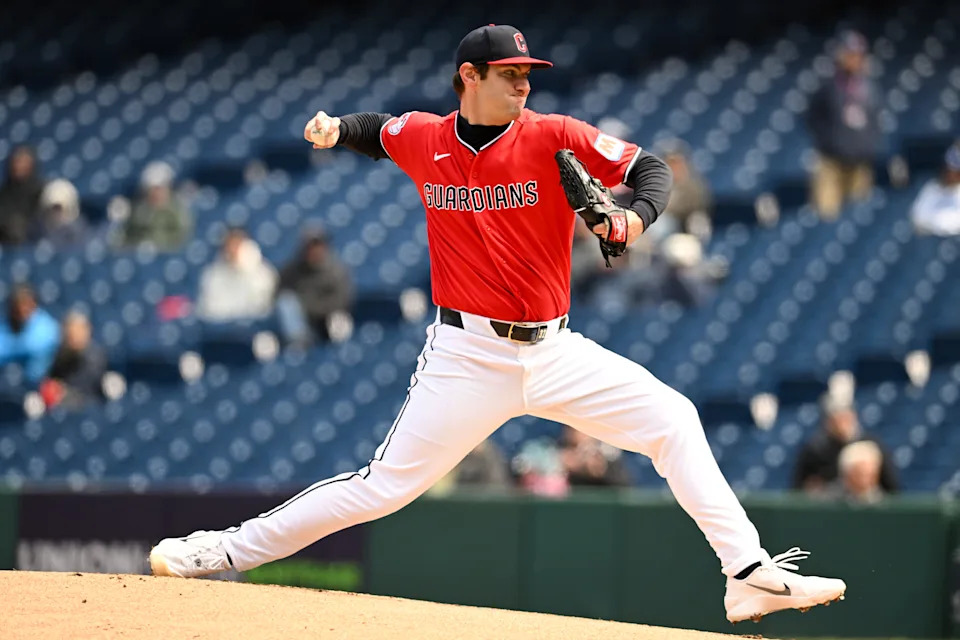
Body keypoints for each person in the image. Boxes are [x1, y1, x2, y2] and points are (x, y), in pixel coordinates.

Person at [151, 24, 845, 624]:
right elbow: (377, 131)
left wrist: (630, 218)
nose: (523, 86)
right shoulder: (426, 138)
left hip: (555, 348)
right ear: (469, 76)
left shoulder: (554, 136)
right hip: (465, 355)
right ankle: (223, 550)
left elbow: (649, 167)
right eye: (510, 74)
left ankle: (747, 575)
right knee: (381, 487)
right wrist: (335, 131)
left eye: (527, 74)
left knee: (675, 420)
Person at [805, 30, 882, 220]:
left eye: (858, 55)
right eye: (850, 54)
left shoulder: (869, 89)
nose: (854, 59)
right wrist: (830, 142)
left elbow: (875, 122)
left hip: (860, 163)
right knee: (827, 215)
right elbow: (812, 119)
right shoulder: (828, 87)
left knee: (859, 216)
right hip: (831, 163)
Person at [792, 393, 898, 495]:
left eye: (845, 417)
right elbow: (799, 489)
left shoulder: (871, 444)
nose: (841, 424)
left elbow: (891, 488)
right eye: (836, 419)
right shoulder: (815, 449)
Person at [274, 227, 354, 345]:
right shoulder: (293, 269)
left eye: (317, 245)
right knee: (286, 302)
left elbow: (342, 301)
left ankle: (340, 351)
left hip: (327, 319)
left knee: (339, 320)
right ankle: (298, 342)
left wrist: (310, 306)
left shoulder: (336, 270)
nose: (314, 250)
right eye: (310, 246)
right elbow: (279, 293)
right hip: (303, 321)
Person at [196, 227, 278, 321]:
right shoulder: (211, 275)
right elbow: (210, 312)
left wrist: (247, 266)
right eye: (230, 245)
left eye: (238, 245)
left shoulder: (265, 273)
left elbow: (263, 308)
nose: (233, 250)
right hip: (222, 330)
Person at [116, 161, 193, 251]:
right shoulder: (136, 212)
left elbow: (183, 240)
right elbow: (123, 240)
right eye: (152, 189)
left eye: (160, 188)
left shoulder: (178, 212)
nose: (156, 193)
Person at [41, 311, 107, 409]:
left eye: (78, 331)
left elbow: (91, 391)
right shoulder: (57, 358)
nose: (74, 336)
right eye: (70, 332)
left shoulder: (96, 358)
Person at [0, 284, 60, 386]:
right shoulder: (5, 324)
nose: (22, 309)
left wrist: (13, 347)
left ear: (34, 304)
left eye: (26, 304)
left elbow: (34, 345)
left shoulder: (47, 326)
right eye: (18, 305)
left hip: (36, 384)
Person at [910, 141, 960, 236]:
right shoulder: (932, 188)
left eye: (956, 171)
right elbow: (918, 217)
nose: (951, 173)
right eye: (950, 169)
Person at [558, 425, 631, 487]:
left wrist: (603, 469)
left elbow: (624, 487)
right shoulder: (562, 450)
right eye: (574, 430)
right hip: (575, 497)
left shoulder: (607, 450)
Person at [0, 145, 44, 245]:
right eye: (17, 161)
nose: (19, 166)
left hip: (34, 239)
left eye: (24, 162)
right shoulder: (3, 194)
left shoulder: (43, 191)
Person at [32, 178, 88, 247]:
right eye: (52, 209)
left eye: (58, 209)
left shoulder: (79, 233)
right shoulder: (37, 233)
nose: (56, 214)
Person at [828, 440, 886, 505]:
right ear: (846, 475)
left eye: (871, 475)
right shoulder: (831, 500)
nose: (865, 481)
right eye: (860, 475)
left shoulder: (884, 502)